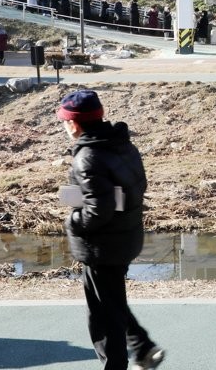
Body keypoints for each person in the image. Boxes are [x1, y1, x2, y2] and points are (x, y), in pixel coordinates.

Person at [57, 90, 165, 370]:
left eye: (66, 121)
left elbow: (98, 208)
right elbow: (137, 187)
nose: (64, 125)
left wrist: (72, 222)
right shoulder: (122, 145)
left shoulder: (88, 156)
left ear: (75, 124)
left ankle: (135, 353)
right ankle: (142, 349)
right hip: (125, 235)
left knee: (104, 313)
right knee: (111, 302)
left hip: (101, 245)